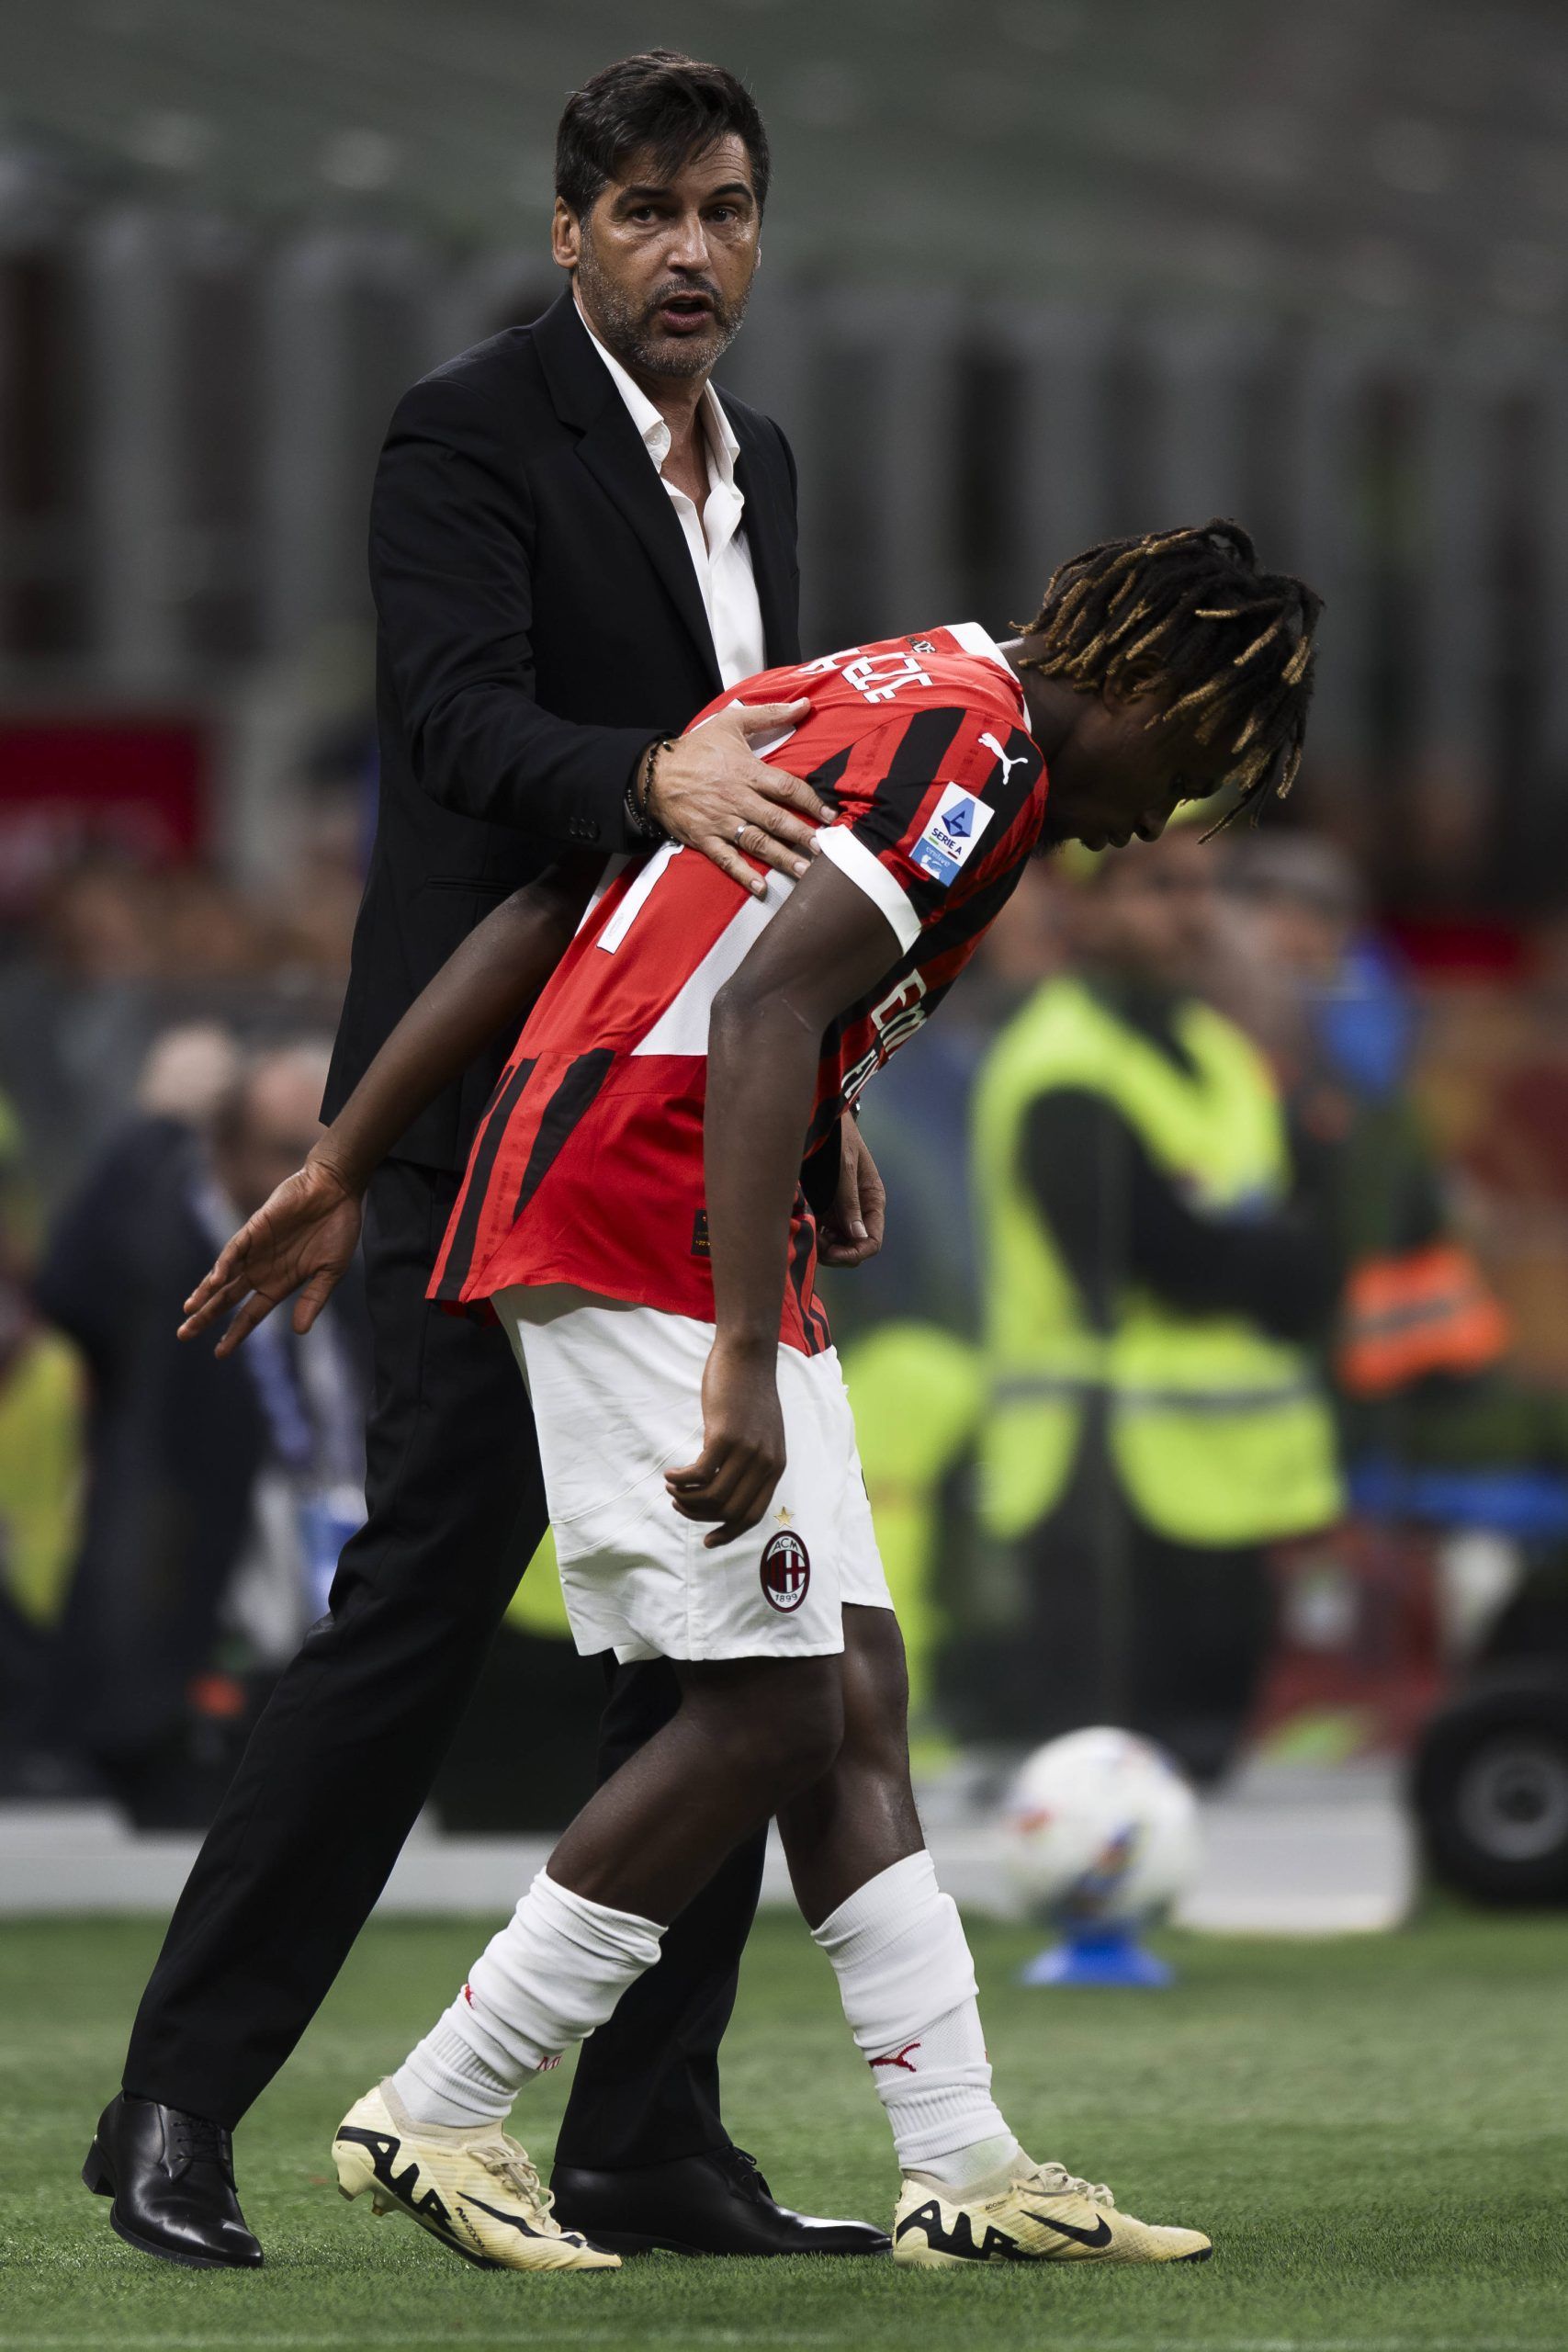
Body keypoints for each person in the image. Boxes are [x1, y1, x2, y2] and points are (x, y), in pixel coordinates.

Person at [173, 521, 1319, 2272]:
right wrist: (734, 1346)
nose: (1166, 819)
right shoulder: (970, 761)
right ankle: (441, 2106)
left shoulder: (876, 682)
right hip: (639, 1215)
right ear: (1149, 685)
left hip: (659, 1199)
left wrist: (347, 1158)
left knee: (850, 1694)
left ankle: (963, 2166)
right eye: (1195, 764)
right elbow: (769, 1010)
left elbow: (571, 910)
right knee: (770, 1712)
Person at [85, 51, 890, 2269]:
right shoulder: (465, 432)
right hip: (475, 1128)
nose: (690, 252)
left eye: (723, 210)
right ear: (568, 233)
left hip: (677, 1131)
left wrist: (818, 1095)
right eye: (645, 212)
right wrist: (646, 773)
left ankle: (647, 2137)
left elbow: (781, 842)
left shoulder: (765, 467)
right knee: (418, 1610)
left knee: (715, 1641)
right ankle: (173, 2102)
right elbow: (452, 724)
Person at [968, 822, 1345, 1783]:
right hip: (1096, 1485)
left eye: (1202, 888)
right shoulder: (1061, 1063)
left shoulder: (1219, 1052)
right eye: (1157, 886)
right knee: (1104, 1782)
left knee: (1203, 1776)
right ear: (1085, 906)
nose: (1192, 913)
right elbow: (1162, 1255)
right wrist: (1253, 1253)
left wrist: (1243, 1251)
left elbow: (1320, 1244)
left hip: (1222, 1484)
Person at [28, 1043, 367, 1824]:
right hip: (183, 1608)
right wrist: (155, 1124)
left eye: (322, 1154)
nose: (306, 1177)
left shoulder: (348, 1242)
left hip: (320, 1572)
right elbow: (68, 1289)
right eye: (284, 1152)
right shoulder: (162, 1239)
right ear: (225, 1147)